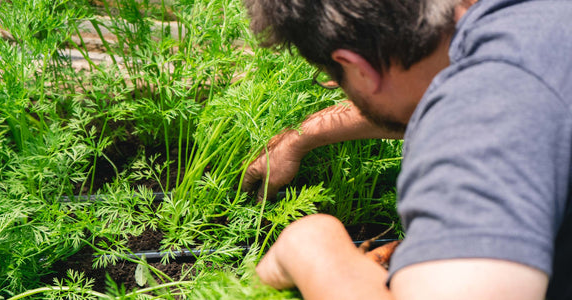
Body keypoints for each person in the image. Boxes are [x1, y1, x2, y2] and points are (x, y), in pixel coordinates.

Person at [240, 0, 572, 299]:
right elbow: (440, 89)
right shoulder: (523, 19)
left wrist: (310, 245)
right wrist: (300, 137)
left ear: (354, 66)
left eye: (330, 77)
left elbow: (475, 112)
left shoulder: (477, 125)